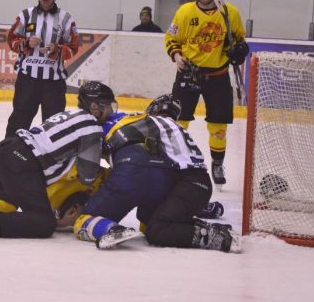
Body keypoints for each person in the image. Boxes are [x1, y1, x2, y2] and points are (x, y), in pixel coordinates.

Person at [0, 81, 118, 240]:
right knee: (44, 223)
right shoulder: (93, 127)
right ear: (94, 106)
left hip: (6, 148)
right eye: (108, 106)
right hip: (22, 163)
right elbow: (87, 176)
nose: (111, 112)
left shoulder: (70, 115)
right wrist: (102, 152)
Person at [74, 94, 237, 252]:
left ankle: (212, 236)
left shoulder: (149, 122)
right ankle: (206, 225)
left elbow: (132, 152)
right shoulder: (176, 127)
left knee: (156, 229)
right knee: (148, 221)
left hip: (183, 181)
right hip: (198, 182)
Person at [164, 0, 249, 188]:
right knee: (179, 121)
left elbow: (240, 40)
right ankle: (176, 162)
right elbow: (171, 37)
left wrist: (239, 50)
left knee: (218, 125)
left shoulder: (230, 13)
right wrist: (177, 56)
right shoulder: (185, 12)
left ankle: (217, 164)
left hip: (218, 76)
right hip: (188, 74)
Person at [4, 0, 79, 138]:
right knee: (18, 123)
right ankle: (9, 152)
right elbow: (11, 40)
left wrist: (56, 49)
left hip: (54, 84)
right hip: (27, 80)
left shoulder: (66, 19)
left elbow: (73, 48)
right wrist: (25, 43)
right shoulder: (25, 15)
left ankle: (52, 155)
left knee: (54, 129)